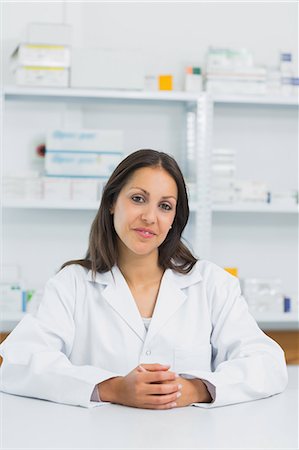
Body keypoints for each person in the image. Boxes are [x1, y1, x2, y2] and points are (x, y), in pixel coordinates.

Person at [0, 149, 288, 409]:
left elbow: (268, 364)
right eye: (138, 199)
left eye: (165, 206)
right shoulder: (72, 285)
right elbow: (19, 363)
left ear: (176, 217)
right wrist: (111, 388)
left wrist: (196, 389)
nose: (150, 217)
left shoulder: (211, 284)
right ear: (112, 202)